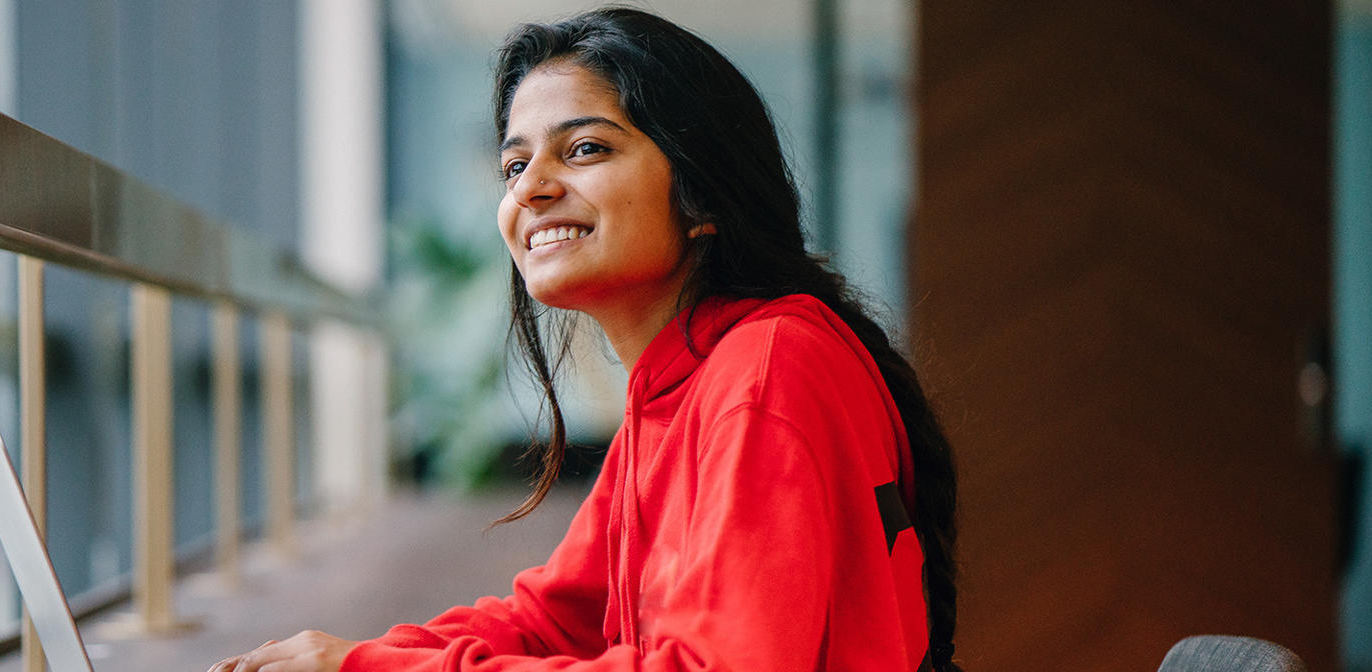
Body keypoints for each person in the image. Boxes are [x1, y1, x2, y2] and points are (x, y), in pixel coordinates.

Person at [208, 7, 961, 671]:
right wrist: (352, 658)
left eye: (585, 149)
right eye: (514, 163)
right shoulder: (686, 377)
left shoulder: (762, 372)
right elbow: (552, 620)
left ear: (702, 193)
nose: (529, 187)